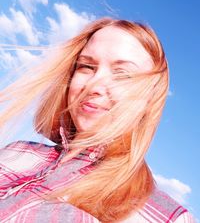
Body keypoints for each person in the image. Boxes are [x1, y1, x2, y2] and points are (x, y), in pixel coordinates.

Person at [0, 18, 195, 222]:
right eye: (86, 67)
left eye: (122, 75)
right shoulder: (17, 152)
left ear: (149, 99)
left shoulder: (167, 218)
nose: (93, 85)